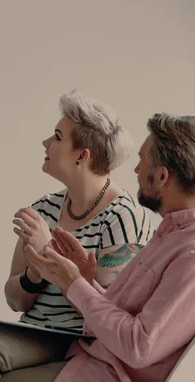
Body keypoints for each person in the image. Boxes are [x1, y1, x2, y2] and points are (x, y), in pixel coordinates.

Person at [0, 90, 154, 382]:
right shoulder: (44, 208)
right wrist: (34, 273)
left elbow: (107, 319)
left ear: (82, 155)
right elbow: (15, 301)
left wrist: (50, 257)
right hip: (35, 331)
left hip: (78, 340)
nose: (46, 143)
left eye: (57, 137)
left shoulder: (121, 217)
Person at [13, 112, 195, 381]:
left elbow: (138, 346)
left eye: (142, 161)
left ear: (162, 176)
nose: (135, 170)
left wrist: (74, 282)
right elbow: (123, 316)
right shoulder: (169, 235)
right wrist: (85, 282)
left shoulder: (188, 254)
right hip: (83, 359)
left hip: (99, 372)